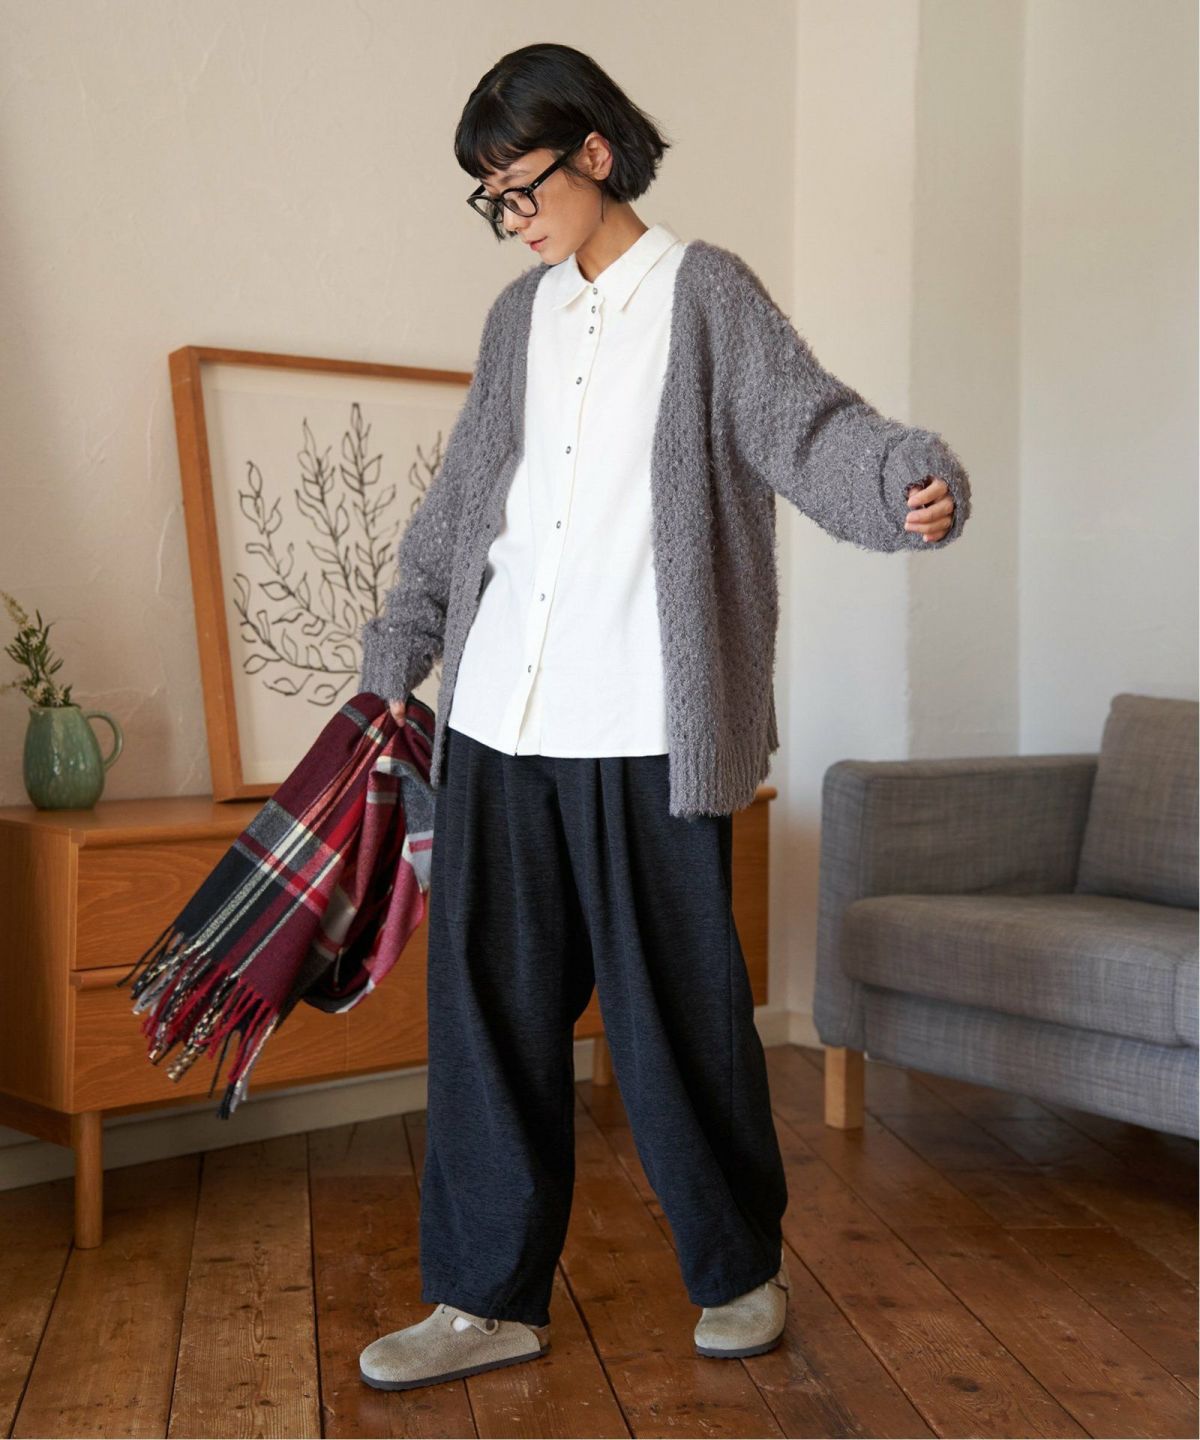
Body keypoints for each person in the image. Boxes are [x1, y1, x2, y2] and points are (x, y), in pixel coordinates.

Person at [358, 41, 968, 1393]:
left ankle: (739, 1271)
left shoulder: (707, 296)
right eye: (489, 202)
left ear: (592, 150)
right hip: (499, 719)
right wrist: (401, 644)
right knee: (489, 1020)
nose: (510, 218)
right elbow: (467, 503)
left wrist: (904, 480)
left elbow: (813, 427)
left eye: (518, 186)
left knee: (678, 1017)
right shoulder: (516, 322)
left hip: (642, 725)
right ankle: (484, 1297)